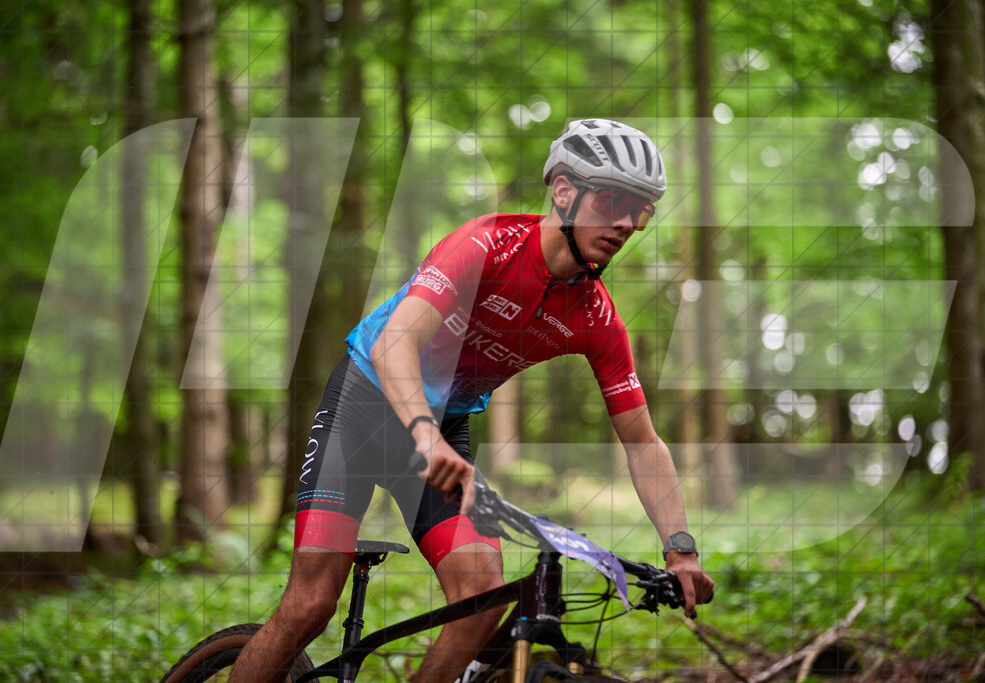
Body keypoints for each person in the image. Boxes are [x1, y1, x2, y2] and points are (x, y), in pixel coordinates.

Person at [229, 119, 714, 683]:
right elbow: (394, 343)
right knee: (311, 605)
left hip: (442, 433)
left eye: (642, 210)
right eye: (613, 201)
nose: (628, 223)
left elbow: (643, 442)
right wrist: (423, 433)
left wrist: (679, 549)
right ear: (564, 192)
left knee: (482, 592)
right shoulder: (486, 244)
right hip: (360, 411)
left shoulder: (595, 318)